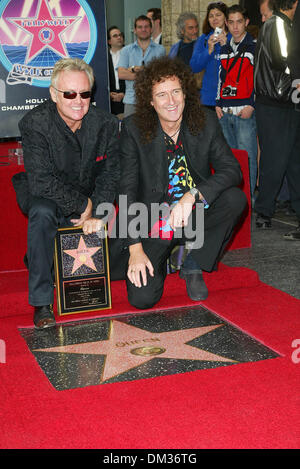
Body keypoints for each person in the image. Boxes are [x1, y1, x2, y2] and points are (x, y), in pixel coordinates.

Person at [114, 56, 246, 310]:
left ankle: (193, 261)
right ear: (151, 101)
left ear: (185, 93)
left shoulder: (205, 121)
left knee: (234, 199)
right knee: (142, 299)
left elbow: (232, 170)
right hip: (154, 220)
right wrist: (135, 249)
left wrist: (193, 195)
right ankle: (167, 257)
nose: (171, 101)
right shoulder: (133, 129)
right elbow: (127, 190)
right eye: (162, 95)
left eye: (176, 91)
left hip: (193, 213)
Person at [12, 58, 120, 329]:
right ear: (53, 94)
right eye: (69, 93)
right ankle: (41, 302)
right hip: (47, 193)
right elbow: (41, 181)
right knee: (43, 211)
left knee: (124, 219)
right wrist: (82, 205)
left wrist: (96, 211)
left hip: (89, 194)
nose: (78, 101)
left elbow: (110, 173)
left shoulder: (105, 123)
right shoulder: (34, 123)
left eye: (84, 93)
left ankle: (40, 254)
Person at [254, 0, 300, 238]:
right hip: (276, 103)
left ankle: (267, 211)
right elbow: (284, 60)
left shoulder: (283, 24)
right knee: (276, 159)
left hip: (284, 102)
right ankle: (263, 212)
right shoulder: (279, 24)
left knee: (293, 160)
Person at [215, 5, 257, 198]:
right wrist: (217, 103)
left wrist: (252, 104)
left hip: (244, 111)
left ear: (246, 22)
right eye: (231, 22)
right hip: (224, 111)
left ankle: (248, 203)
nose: (235, 26)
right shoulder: (225, 47)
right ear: (226, 24)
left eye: (239, 21)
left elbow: (259, 78)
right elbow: (221, 77)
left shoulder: (255, 46)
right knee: (230, 161)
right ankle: (236, 202)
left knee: (247, 160)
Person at [118, 15, 165, 117]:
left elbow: (160, 75)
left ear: (151, 29)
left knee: (153, 131)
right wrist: (146, 74)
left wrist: (132, 70)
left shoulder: (160, 50)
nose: (143, 29)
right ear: (135, 30)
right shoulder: (126, 50)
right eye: (140, 27)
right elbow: (121, 74)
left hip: (154, 99)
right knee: (130, 132)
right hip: (131, 100)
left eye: (146, 26)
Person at [190, 2, 229, 109]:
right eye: (211, 16)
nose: (214, 19)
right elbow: (194, 67)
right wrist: (209, 50)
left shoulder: (233, 38)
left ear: (226, 17)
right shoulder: (203, 39)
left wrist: (225, 46)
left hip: (229, 98)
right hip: (207, 99)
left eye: (218, 15)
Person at [107, 26, 125, 118]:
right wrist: (108, 93)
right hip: (110, 98)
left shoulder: (129, 53)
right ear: (109, 41)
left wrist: (123, 94)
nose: (119, 37)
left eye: (120, 35)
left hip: (127, 98)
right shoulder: (104, 57)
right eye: (115, 36)